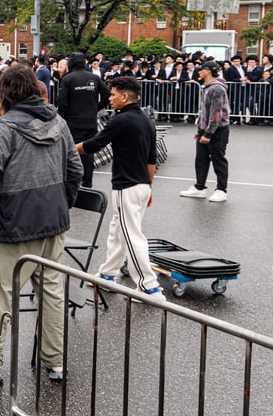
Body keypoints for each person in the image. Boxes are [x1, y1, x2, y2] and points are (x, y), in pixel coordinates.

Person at [0, 64, 82, 383]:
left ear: (5, 93)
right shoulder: (58, 121)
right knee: (51, 291)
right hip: (53, 221)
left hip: (14, 223)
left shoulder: (3, 128)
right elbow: (75, 169)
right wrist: (63, 203)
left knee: (1, 291)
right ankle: (55, 361)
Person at [75, 76, 162, 296]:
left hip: (126, 186)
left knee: (131, 235)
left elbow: (94, 145)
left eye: (113, 94)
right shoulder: (146, 120)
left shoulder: (120, 121)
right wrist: (149, 187)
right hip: (141, 185)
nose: (109, 98)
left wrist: (66, 148)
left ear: (124, 96)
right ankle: (108, 274)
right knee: (118, 230)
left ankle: (148, 286)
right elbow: (151, 159)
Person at [55, 53, 109, 188]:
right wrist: (97, 108)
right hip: (90, 120)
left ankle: (73, 181)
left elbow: (62, 102)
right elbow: (107, 93)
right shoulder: (94, 77)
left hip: (73, 121)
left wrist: (62, 116)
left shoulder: (68, 79)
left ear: (70, 64)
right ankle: (88, 181)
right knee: (88, 151)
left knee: (71, 151)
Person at [180, 60, 231, 202]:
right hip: (205, 128)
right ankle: (199, 187)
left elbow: (216, 113)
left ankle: (221, 189)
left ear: (208, 71)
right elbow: (205, 112)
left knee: (218, 159)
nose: (199, 71)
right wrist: (201, 130)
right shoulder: (208, 87)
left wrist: (208, 133)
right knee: (201, 159)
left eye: (201, 69)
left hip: (218, 130)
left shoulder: (217, 88)